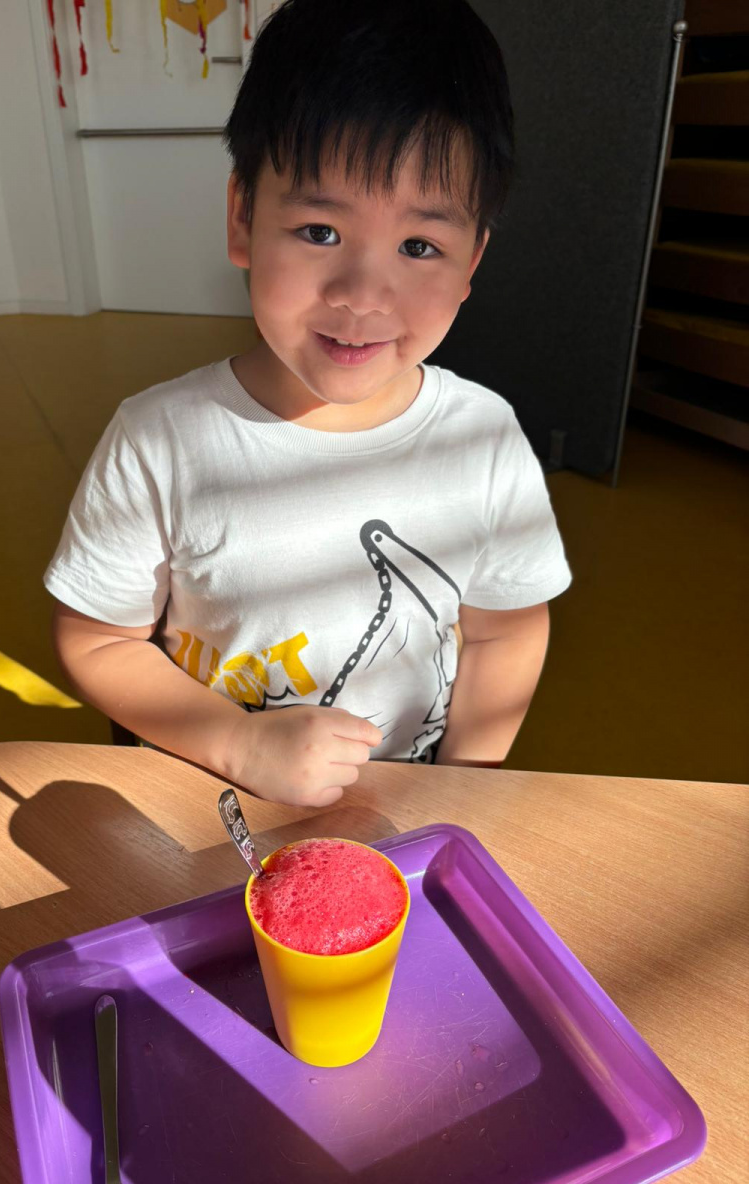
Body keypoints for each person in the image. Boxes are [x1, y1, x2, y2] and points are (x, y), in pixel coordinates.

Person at [45, 0, 571, 807]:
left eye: (420, 246)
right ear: (243, 218)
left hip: (400, 814)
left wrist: (462, 789)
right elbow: (97, 639)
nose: (363, 295)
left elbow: (506, 628)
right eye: (321, 230)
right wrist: (239, 742)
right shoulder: (159, 440)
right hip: (210, 805)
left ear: (472, 263)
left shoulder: (484, 438)